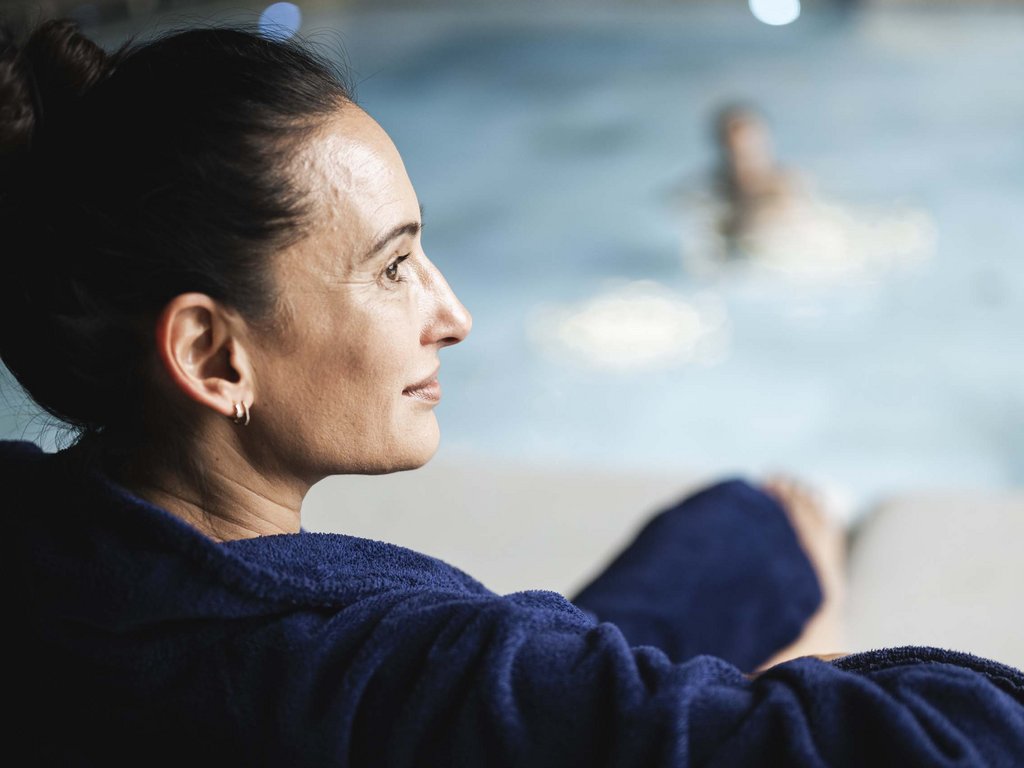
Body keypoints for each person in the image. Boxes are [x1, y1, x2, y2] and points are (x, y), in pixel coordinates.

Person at [1, 18, 1022, 767]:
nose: (452, 314)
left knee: (744, 529)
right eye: (394, 266)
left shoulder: (44, 542)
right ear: (214, 356)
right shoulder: (393, 668)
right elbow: (954, 743)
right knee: (776, 561)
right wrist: (811, 671)